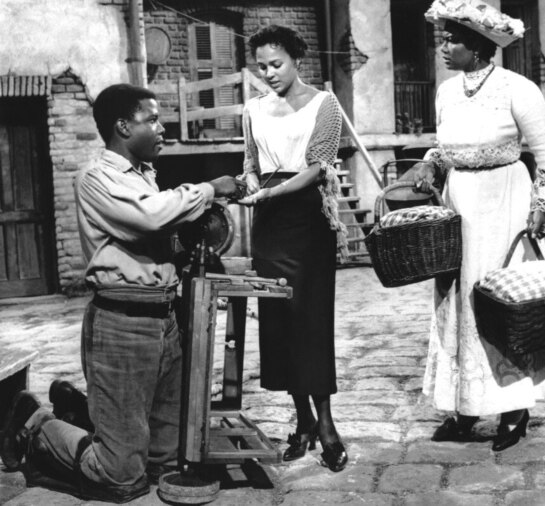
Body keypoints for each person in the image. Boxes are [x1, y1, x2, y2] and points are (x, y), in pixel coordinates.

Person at [0, 83, 246, 502]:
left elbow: (159, 239)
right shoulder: (97, 176)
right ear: (122, 127)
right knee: (121, 478)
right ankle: (34, 420)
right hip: (121, 324)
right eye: (152, 119)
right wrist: (209, 188)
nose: (162, 128)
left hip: (164, 321)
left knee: (165, 461)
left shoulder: (143, 175)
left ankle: (83, 412)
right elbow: (150, 218)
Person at [416, 0, 545, 452]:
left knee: (500, 300)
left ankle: (514, 408)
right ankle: (464, 408)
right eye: (444, 37)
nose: (444, 46)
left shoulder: (517, 89)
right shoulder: (446, 92)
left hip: (504, 202)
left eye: (454, 38)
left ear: (481, 47)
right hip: (458, 204)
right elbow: (445, 146)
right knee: (457, 300)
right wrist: (430, 164)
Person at [237, 25, 348, 472]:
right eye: (261, 66)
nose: (268, 73)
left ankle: (327, 427)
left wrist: (266, 194)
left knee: (311, 323)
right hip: (269, 228)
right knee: (280, 325)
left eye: (276, 64)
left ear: (297, 59)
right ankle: (302, 421)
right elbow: (250, 164)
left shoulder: (325, 103)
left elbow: (317, 169)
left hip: (307, 221)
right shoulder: (253, 109)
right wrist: (250, 185)